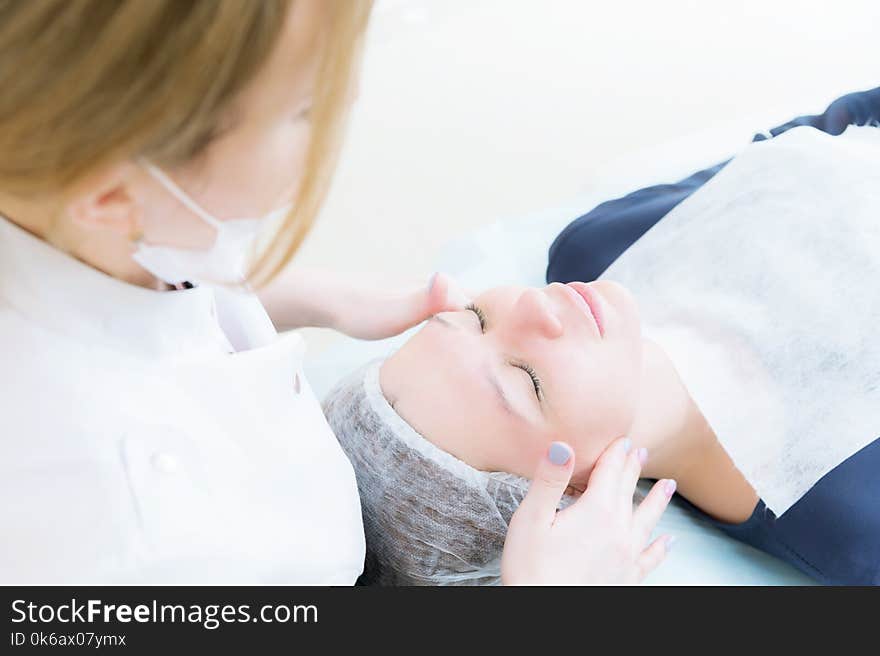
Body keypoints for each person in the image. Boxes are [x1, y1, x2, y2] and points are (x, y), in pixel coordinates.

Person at [0, 0, 671, 584]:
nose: (343, 103)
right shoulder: (120, 540)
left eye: (469, 317)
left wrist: (302, 298)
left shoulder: (109, 229)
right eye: (303, 107)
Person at [322, 90, 880, 585]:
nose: (533, 306)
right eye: (528, 380)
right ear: (574, 503)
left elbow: (833, 130)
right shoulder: (854, 524)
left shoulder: (597, 246)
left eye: (474, 317)